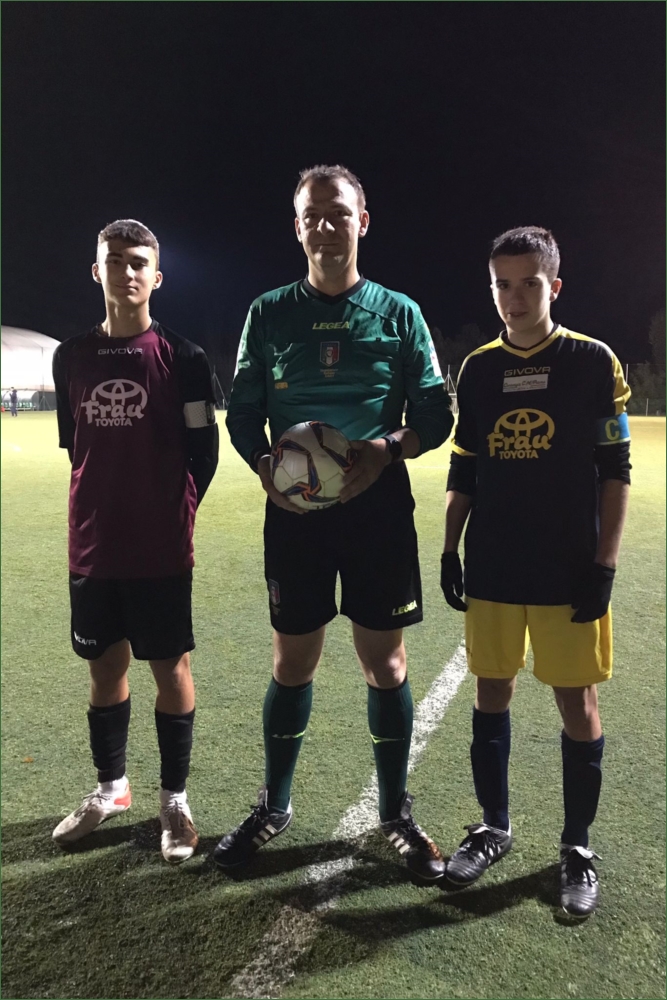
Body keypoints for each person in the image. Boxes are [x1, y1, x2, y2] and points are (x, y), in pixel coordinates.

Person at [216, 165, 453, 882]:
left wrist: (387, 449)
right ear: (297, 227)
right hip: (295, 516)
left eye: (338, 213)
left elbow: (435, 413)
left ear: (362, 221)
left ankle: (394, 813)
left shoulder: (399, 313)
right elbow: (242, 411)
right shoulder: (268, 313)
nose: (325, 225)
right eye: (312, 215)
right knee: (293, 662)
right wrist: (265, 465)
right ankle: (275, 805)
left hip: (379, 510)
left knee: (386, 664)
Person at [440, 226, 631, 916]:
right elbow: (465, 466)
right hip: (494, 563)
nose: (513, 297)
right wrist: (449, 547)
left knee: (576, 702)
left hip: (567, 566)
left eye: (528, 283)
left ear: (554, 286)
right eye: (502, 284)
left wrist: (604, 564)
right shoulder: (477, 369)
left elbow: (615, 470)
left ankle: (576, 847)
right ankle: (493, 827)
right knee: (491, 689)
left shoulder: (592, 360)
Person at [51, 219, 219, 863]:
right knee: (104, 667)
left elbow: (203, 451)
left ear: (157, 276)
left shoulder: (185, 358)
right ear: (97, 271)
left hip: (160, 547)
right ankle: (111, 788)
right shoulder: (71, 356)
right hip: (93, 545)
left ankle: (174, 801)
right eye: (115, 260)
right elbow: (75, 445)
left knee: (170, 668)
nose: (126, 271)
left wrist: (174, 510)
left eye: (138, 262)